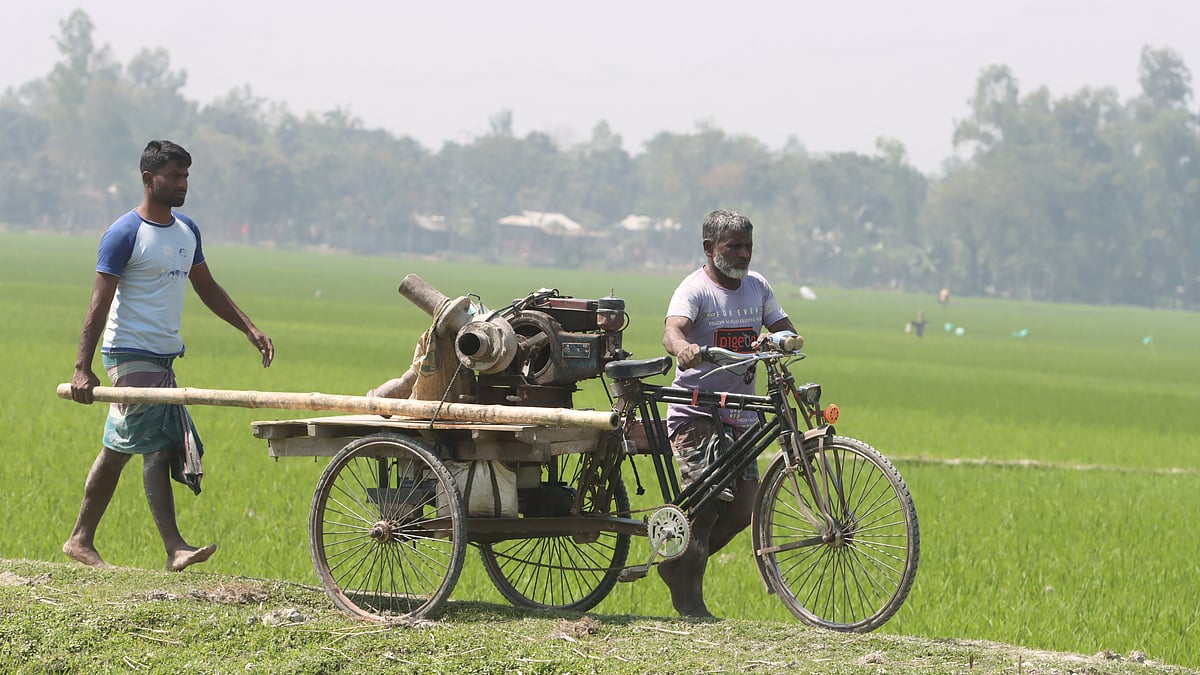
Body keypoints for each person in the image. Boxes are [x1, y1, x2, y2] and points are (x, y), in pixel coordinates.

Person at [64, 140, 274, 571]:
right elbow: (99, 304)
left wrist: (249, 328)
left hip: (163, 359)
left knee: (126, 448)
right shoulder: (125, 233)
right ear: (148, 179)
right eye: (174, 176)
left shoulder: (187, 231)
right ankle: (171, 546)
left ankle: (83, 539)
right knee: (152, 444)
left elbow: (207, 286)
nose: (183, 184)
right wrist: (82, 367)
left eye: (186, 176)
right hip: (128, 353)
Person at [659, 209, 797, 617]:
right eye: (733, 246)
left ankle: (676, 565)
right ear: (709, 248)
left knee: (743, 510)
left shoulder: (757, 287)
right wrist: (684, 348)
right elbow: (672, 330)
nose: (743, 254)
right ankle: (691, 600)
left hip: (741, 413)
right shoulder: (695, 290)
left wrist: (783, 340)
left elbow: (785, 327)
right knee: (706, 506)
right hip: (697, 412)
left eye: (748, 247)